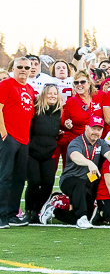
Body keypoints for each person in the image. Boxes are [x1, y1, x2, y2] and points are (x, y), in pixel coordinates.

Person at [40, 116, 110, 229]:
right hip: (70, 180)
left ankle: (54, 211)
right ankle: (82, 217)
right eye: (93, 128)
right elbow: (75, 156)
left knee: (81, 216)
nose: (96, 132)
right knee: (79, 184)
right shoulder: (76, 142)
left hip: (88, 183)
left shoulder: (101, 143)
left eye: (99, 129)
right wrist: (88, 163)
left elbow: (109, 153)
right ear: (86, 127)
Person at [0, 57, 36, 228]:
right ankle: (1, 215)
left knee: (19, 178)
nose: (23, 70)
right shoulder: (6, 84)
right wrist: (3, 132)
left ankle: (12, 213)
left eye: (26, 67)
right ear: (13, 68)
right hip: (9, 136)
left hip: (24, 139)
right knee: (4, 177)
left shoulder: (30, 89)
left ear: (31, 70)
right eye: (19, 67)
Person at [25, 84, 64, 223]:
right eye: (49, 93)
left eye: (55, 93)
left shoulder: (60, 111)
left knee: (48, 183)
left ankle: (38, 209)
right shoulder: (35, 109)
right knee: (34, 182)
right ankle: (28, 210)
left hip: (49, 152)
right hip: (33, 151)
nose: (52, 96)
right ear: (43, 95)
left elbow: (63, 127)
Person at [58, 70, 103, 168]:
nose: (79, 85)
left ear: (89, 83)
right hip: (78, 144)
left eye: (82, 82)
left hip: (97, 143)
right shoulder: (71, 102)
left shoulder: (101, 96)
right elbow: (63, 124)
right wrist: (66, 124)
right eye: (76, 82)